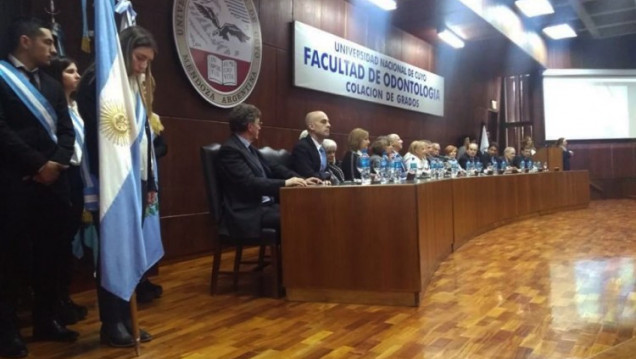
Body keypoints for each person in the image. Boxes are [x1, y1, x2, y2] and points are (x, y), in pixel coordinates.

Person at [76, 25, 159, 348]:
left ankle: (127, 316)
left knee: (131, 251)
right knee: (113, 253)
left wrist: (149, 181)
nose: (142, 66)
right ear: (124, 51)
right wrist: (111, 178)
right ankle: (112, 323)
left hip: (135, 181)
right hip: (110, 180)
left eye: (147, 62)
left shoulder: (135, 86)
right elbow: (100, 140)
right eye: (139, 59)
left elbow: (144, 140)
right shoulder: (100, 82)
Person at [0, 17, 77, 358]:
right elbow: (1, 131)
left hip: (53, 184)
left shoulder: (51, 85)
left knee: (52, 255)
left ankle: (46, 320)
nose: (54, 49)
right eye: (47, 42)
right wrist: (37, 165)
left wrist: (54, 164)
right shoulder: (2, 77)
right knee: (11, 260)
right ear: (25, 41)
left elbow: (67, 132)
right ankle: (8, 330)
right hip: (14, 182)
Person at [217, 103, 322, 238]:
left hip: (265, 207)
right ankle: (295, 258)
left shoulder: (248, 148)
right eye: (258, 123)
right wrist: (285, 183)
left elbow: (274, 167)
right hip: (249, 211)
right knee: (299, 216)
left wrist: (301, 180)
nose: (260, 126)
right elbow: (250, 183)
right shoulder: (230, 151)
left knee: (309, 210)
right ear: (250, 127)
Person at [41, 56, 89, 326]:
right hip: (60, 175)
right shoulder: (51, 108)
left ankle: (64, 298)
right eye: (71, 71)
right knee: (57, 242)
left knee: (69, 239)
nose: (77, 75)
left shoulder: (76, 107)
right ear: (57, 76)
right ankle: (54, 302)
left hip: (77, 177)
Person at [291, 111, 331, 180]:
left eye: (328, 122)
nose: (329, 125)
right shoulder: (302, 147)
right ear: (311, 126)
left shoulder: (322, 148)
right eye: (323, 122)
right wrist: (327, 176)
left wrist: (326, 178)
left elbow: (326, 172)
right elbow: (308, 175)